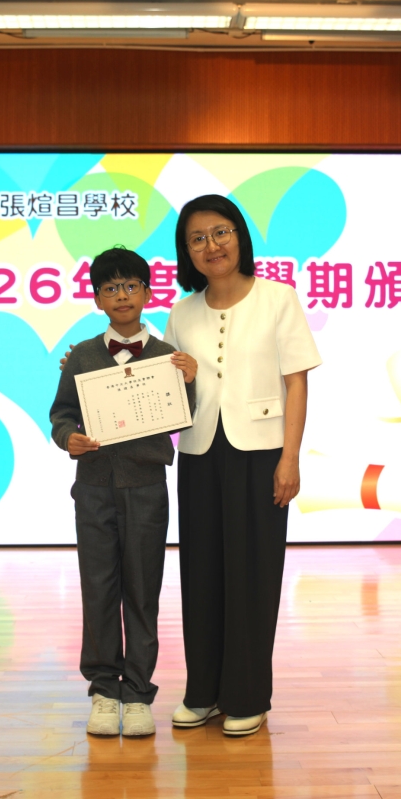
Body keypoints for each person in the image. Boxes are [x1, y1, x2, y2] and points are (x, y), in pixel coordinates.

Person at [163, 194, 321, 737]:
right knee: (200, 573)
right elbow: (168, 386)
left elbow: (297, 382)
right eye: (197, 238)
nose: (211, 245)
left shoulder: (279, 298)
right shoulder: (181, 312)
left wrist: (289, 457)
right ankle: (203, 692)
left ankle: (247, 695)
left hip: (261, 453)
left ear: (240, 236)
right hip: (199, 451)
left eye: (221, 232)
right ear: (186, 251)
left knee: (253, 575)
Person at [48, 247, 198, 737]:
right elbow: (62, 413)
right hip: (93, 488)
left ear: (147, 293)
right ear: (97, 299)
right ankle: (103, 690)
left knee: (142, 589)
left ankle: (137, 693)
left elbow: (184, 416)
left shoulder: (167, 357)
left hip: (147, 488)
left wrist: (189, 381)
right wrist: (67, 437)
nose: (122, 295)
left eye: (131, 285)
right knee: (98, 587)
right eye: (110, 288)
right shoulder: (82, 355)